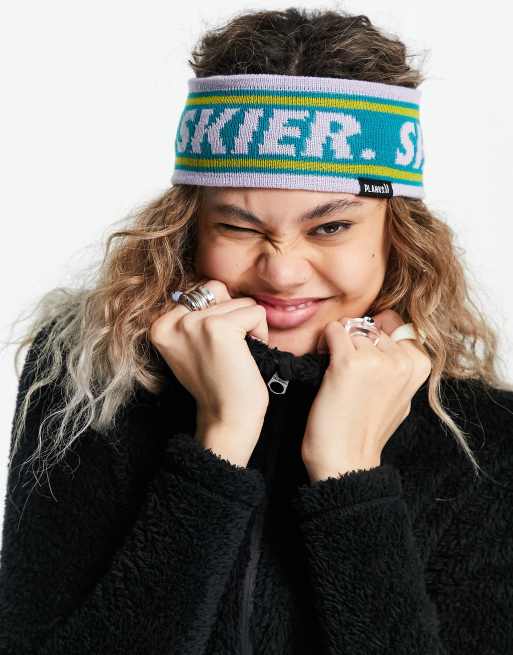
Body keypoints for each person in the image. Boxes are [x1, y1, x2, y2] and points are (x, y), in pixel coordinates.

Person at [1, 7, 513, 655]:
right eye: (238, 227)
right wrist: (219, 442)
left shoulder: (483, 437)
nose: (283, 271)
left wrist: (350, 476)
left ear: (398, 235)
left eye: (331, 227)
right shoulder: (88, 379)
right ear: (187, 229)